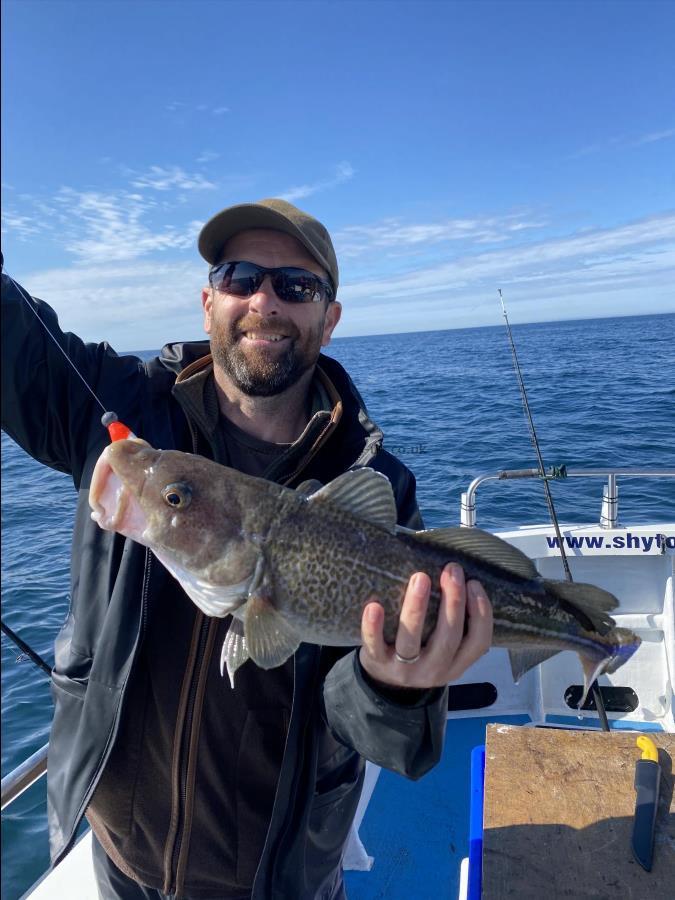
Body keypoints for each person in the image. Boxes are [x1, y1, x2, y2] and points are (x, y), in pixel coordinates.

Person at [1, 198, 493, 900]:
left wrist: (396, 688)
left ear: (329, 317)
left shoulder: (375, 484)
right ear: (207, 303)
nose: (264, 299)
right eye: (239, 277)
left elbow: (379, 739)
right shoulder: (122, 413)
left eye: (296, 286)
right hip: (118, 859)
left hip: (279, 875)